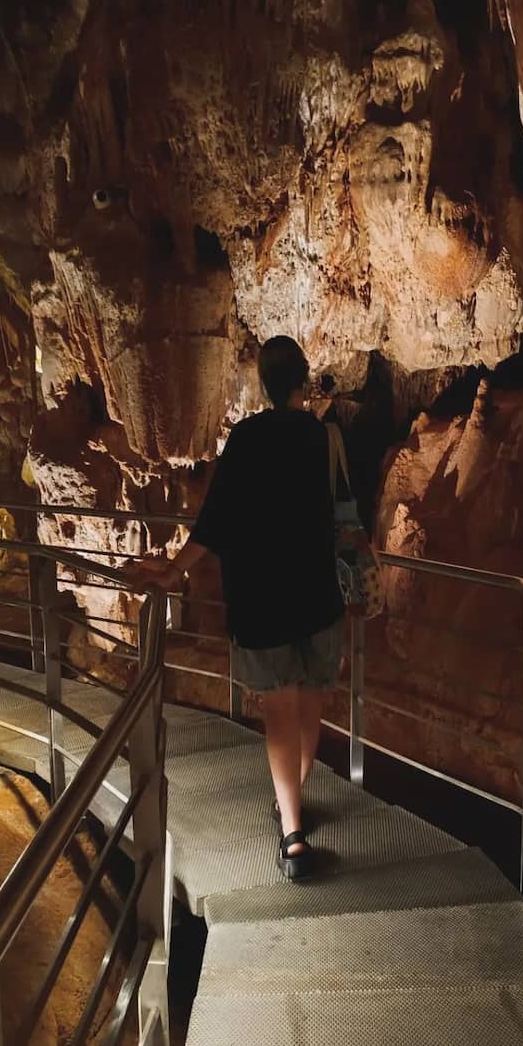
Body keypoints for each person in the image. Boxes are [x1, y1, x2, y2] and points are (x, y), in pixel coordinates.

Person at [132, 336, 343, 879]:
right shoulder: (321, 436)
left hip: (262, 597)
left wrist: (174, 571)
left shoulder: (246, 439)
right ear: (302, 380)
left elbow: (216, 520)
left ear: (263, 383)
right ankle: (292, 799)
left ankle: (292, 834)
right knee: (310, 704)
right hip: (317, 593)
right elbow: (344, 513)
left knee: (280, 710)